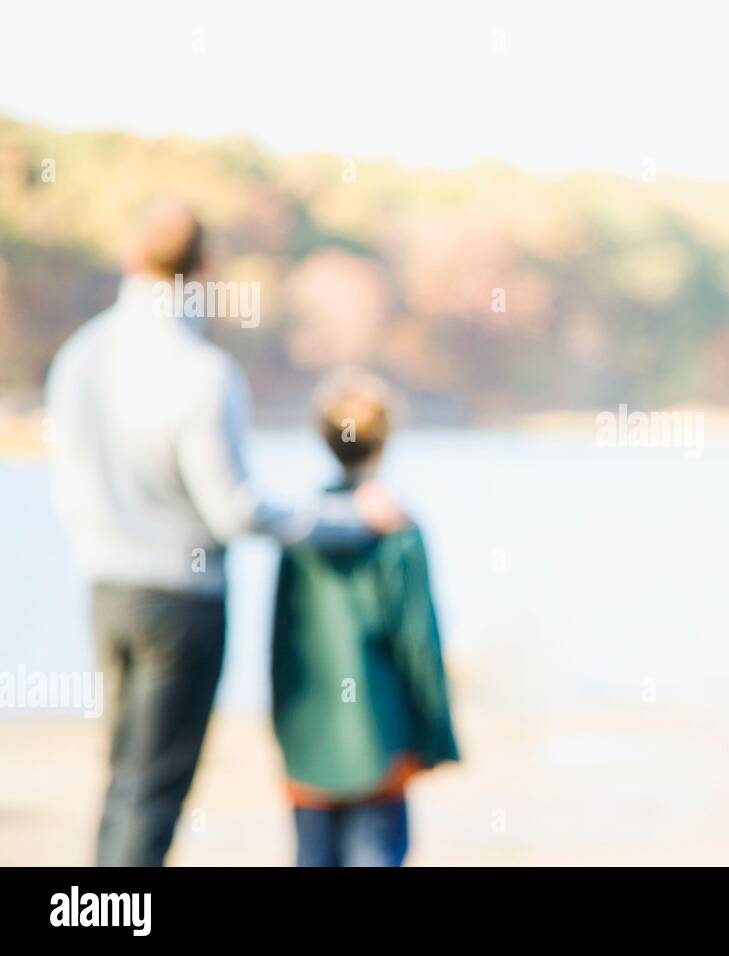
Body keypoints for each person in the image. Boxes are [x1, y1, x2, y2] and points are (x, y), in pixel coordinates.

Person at [45, 196, 406, 866]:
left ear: (131, 259)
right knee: (154, 792)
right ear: (207, 267)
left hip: (105, 591)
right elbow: (236, 512)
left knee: (122, 776)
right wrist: (345, 521)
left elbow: (64, 478)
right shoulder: (203, 372)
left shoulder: (79, 356)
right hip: (182, 603)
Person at [271, 367, 461, 867]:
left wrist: (283, 729)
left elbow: (280, 641)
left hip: (308, 738)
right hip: (382, 734)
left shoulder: (302, 528)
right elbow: (419, 640)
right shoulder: (397, 528)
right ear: (387, 439)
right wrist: (436, 735)